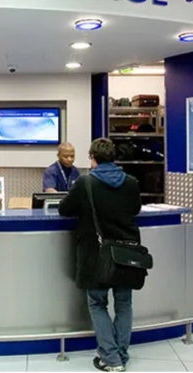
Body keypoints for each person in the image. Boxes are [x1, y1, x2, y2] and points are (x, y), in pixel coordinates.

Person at [58, 138, 142, 373]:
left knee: (97, 304)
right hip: (126, 253)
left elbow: (64, 209)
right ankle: (121, 354)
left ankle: (111, 359)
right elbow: (136, 209)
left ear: (92, 158)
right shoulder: (131, 182)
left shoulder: (85, 182)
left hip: (95, 254)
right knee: (124, 304)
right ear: (114, 157)